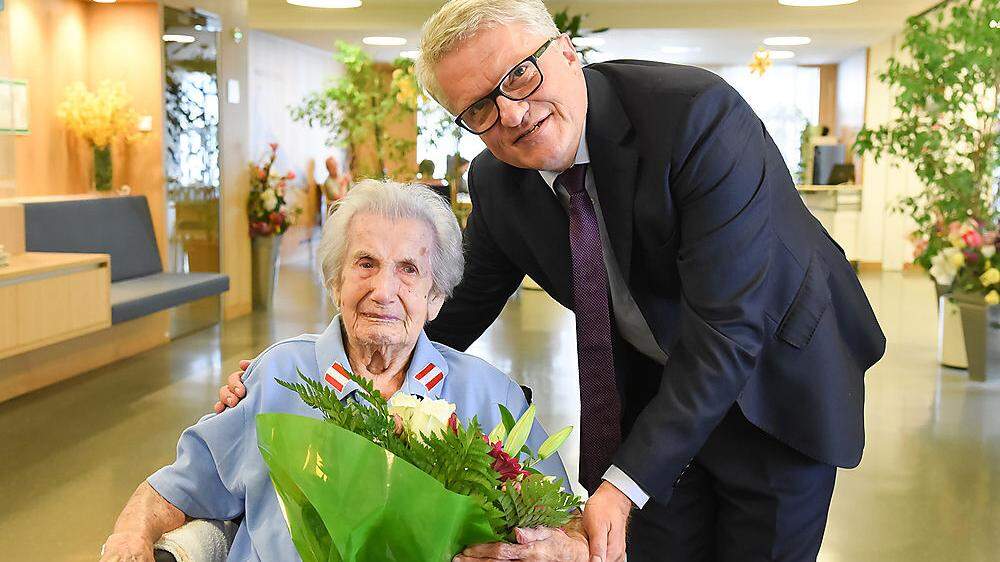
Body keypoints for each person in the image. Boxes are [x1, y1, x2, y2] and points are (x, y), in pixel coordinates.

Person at [218, 1, 886, 560]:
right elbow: (448, 309)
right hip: (659, 391)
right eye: (477, 108)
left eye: (519, 75)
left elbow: (728, 329)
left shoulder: (696, 119)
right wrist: (307, 370)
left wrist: (620, 488)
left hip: (776, 381)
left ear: (566, 52)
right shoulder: (499, 184)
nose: (509, 114)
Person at [100, 180, 587, 562]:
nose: (384, 289)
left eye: (409, 270)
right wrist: (129, 535)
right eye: (366, 264)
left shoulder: (488, 395)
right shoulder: (277, 377)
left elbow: (563, 521)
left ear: (436, 298)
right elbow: (177, 487)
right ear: (335, 282)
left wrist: (549, 548)